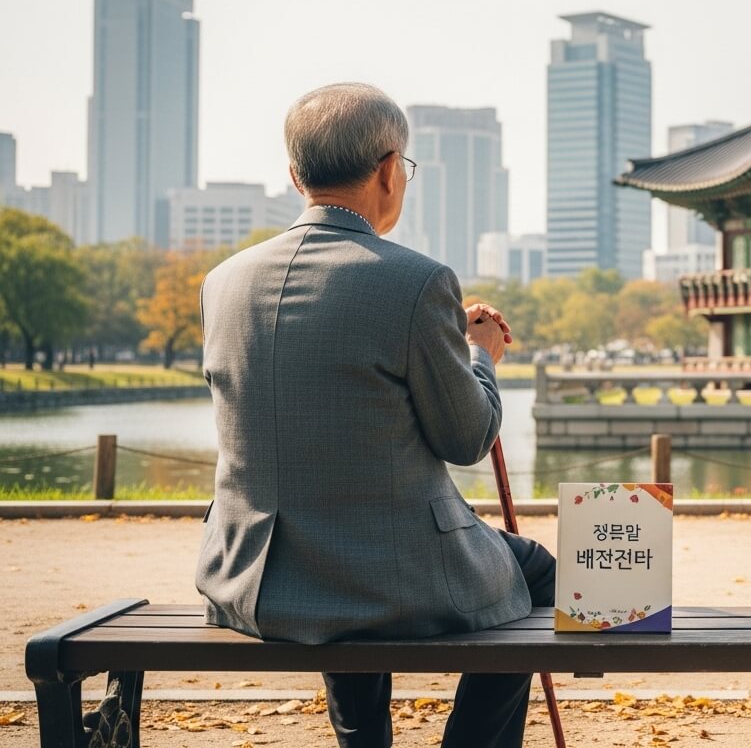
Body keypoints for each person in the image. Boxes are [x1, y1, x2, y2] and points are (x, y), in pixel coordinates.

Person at [196, 82, 555, 748]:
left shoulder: (223, 282)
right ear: (390, 169)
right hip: (386, 575)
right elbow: (467, 435)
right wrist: (481, 353)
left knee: (342, 545)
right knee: (539, 576)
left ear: (296, 176)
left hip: (256, 575)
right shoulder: (415, 281)